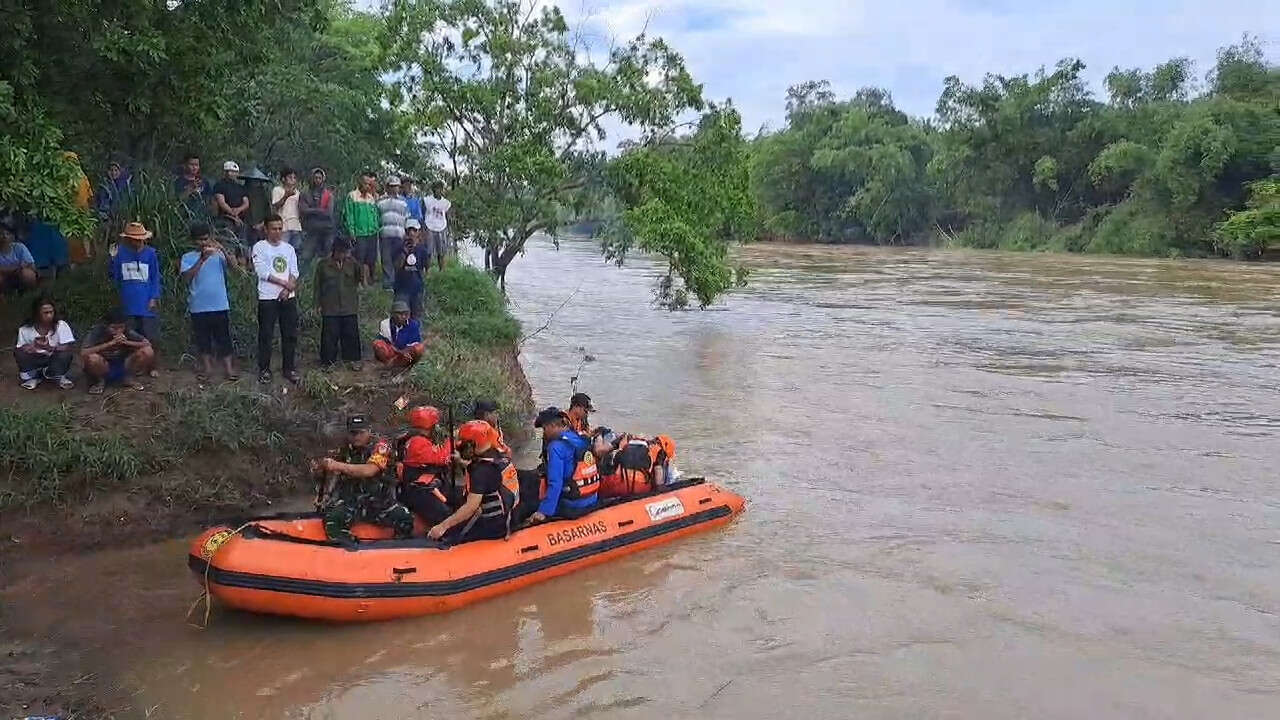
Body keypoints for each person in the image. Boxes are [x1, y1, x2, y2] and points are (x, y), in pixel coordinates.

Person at [312, 414, 414, 543]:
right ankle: (347, 547)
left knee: (406, 519)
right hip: (351, 500)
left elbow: (370, 470)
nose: (356, 437)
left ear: (369, 431)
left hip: (380, 501)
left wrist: (337, 465)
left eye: (361, 432)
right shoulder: (343, 448)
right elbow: (330, 472)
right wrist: (325, 494)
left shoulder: (381, 446)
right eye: (353, 433)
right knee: (333, 519)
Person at [428, 420, 518, 542]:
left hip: (492, 525)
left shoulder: (481, 471)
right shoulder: (499, 455)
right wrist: (462, 462)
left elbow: (471, 507)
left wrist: (442, 526)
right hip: (508, 515)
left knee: (448, 536)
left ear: (472, 444)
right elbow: (487, 475)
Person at [179, 223, 238, 382]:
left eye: (206, 239)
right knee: (203, 339)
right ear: (193, 241)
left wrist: (223, 249)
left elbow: (235, 268)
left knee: (224, 338)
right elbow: (186, 278)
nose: (204, 243)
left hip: (220, 304)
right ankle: (207, 369)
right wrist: (202, 259)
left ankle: (229, 369)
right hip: (198, 305)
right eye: (200, 240)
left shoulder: (218, 255)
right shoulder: (187, 257)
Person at [528, 406, 599, 524]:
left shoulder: (556, 447)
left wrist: (543, 511)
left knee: (529, 504)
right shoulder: (577, 438)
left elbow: (555, 483)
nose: (544, 433)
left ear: (552, 426)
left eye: (544, 429)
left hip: (573, 505)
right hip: (592, 499)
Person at [253, 214, 300, 384]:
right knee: (266, 334)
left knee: (289, 334)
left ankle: (289, 368)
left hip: (288, 297)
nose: (278, 232)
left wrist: (288, 289)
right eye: (274, 228)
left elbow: (294, 272)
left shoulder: (288, 248)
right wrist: (284, 284)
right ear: (266, 229)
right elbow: (262, 272)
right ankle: (264, 369)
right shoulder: (259, 247)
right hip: (268, 297)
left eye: (280, 228)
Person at [109, 221, 161, 374]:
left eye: (140, 239)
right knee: (131, 335)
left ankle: (152, 366)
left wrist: (154, 297)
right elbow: (115, 276)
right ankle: (135, 365)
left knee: (150, 334)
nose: (137, 242)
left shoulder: (151, 253)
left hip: (146, 301)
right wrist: (111, 260)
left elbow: (155, 277)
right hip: (128, 300)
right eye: (134, 239)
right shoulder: (121, 253)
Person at [397, 405, 455, 528]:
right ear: (432, 426)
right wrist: (451, 442)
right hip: (418, 491)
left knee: (458, 498)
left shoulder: (415, 439)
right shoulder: (417, 442)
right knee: (447, 518)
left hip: (427, 487)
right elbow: (442, 458)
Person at [314, 237, 363, 370]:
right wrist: (317, 304)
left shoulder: (352, 264)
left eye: (345, 251)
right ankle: (328, 362)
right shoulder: (323, 265)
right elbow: (317, 286)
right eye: (340, 251)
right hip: (330, 306)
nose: (343, 254)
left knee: (351, 334)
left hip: (349, 306)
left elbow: (361, 278)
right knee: (329, 336)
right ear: (334, 251)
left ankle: (353, 360)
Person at [81, 308, 155, 393]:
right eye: (114, 328)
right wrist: (109, 344)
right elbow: (84, 352)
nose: (118, 331)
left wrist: (126, 342)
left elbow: (147, 343)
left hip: (124, 362)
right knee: (92, 358)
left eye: (121, 327)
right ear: (106, 326)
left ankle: (128, 378)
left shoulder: (127, 331)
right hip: (103, 364)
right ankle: (100, 381)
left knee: (147, 351)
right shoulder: (97, 331)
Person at [14, 296, 75, 390]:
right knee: (19, 353)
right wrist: (32, 347)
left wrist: (48, 347)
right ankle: (33, 377)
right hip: (35, 359)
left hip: (53, 358)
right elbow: (21, 348)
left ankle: (57, 375)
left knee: (66, 354)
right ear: (37, 314)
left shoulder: (61, 325)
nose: (49, 315)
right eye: (45, 313)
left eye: (51, 312)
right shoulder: (25, 329)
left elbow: (67, 347)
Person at [342, 171, 380, 285]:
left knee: (371, 258)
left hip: (371, 233)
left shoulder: (371, 198)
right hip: (359, 233)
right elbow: (349, 215)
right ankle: (358, 282)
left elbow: (375, 215)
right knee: (359, 258)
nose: (367, 186)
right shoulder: (352, 196)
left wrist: (376, 227)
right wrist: (351, 231)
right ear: (359, 183)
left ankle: (368, 281)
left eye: (369, 184)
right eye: (365, 183)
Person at [298, 167, 335, 267]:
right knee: (306, 256)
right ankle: (304, 280)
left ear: (323, 179)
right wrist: (319, 210)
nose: (317, 180)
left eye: (320, 178)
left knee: (326, 257)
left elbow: (329, 213)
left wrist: (312, 210)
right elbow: (303, 210)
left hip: (326, 230)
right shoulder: (305, 193)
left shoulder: (328, 195)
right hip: (311, 230)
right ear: (312, 178)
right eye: (315, 178)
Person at [377, 175, 409, 289]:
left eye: (396, 186)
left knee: (398, 259)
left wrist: (407, 234)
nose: (394, 188)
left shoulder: (403, 202)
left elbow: (407, 218)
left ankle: (398, 282)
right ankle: (388, 284)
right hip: (385, 234)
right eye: (392, 186)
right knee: (386, 259)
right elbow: (377, 216)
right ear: (387, 187)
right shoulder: (380, 200)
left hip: (399, 234)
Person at [392, 219, 429, 318]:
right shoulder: (398, 247)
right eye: (409, 230)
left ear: (419, 232)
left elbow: (426, 269)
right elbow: (396, 267)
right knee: (400, 318)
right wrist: (404, 251)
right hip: (401, 289)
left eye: (415, 230)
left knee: (416, 319)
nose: (412, 233)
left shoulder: (422, 250)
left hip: (417, 289)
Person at [373, 300, 424, 368]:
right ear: (393, 314)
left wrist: (403, 352)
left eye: (405, 313)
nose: (403, 316)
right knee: (377, 344)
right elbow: (383, 341)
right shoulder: (385, 324)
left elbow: (414, 344)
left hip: (405, 354)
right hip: (392, 353)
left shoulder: (413, 324)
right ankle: (388, 364)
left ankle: (404, 366)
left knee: (419, 348)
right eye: (400, 314)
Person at [212, 161, 250, 250]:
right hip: (225, 219)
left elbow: (246, 203)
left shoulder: (240, 187)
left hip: (240, 220)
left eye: (234, 171)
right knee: (228, 245)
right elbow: (221, 202)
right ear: (225, 172)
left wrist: (239, 210)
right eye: (229, 171)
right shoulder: (219, 185)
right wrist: (233, 215)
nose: (231, 174)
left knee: (242, 245)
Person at [270, 167, 304, 253]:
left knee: (295, 252)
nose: (292, 180)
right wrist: (286, 196)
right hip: (283, 226)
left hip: (296, 226)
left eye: (294, 178)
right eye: (290, 177)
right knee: (282, 251)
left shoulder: (297, 192)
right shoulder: (277, 190)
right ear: (283, 179)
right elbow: (275, 206)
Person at [0, 222, 38, 293]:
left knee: (27, 274)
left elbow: (32, 266)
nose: (4, 237)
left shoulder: (20, 247)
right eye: (1, 234)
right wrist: (17, 268)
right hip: (4, 278)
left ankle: (29, 293)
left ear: (12, 236)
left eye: (7, 234)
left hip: (19, 276)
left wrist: (6, 270)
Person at [423, 180, 452, 271]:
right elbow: (423, 213)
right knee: (428, 251)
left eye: (440, 188)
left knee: (441, 251)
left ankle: (442, 270)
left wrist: (448, 228)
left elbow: (447, 215)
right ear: (433, 189)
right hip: (430, 226)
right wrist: (424, 227)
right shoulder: (427, 200)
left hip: (441, 227)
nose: (438, 190)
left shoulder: (446, 202)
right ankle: (427, 270)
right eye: (436, 188)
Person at [174, 152, 213, 220]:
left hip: (203, 217)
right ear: (185, 165)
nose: (194, 167)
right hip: (185, 218)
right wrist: (191, 189)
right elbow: (177, 201)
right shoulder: (178, 182)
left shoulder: (204, 182)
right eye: (191, 164)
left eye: (196, 165)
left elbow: (210, 200)